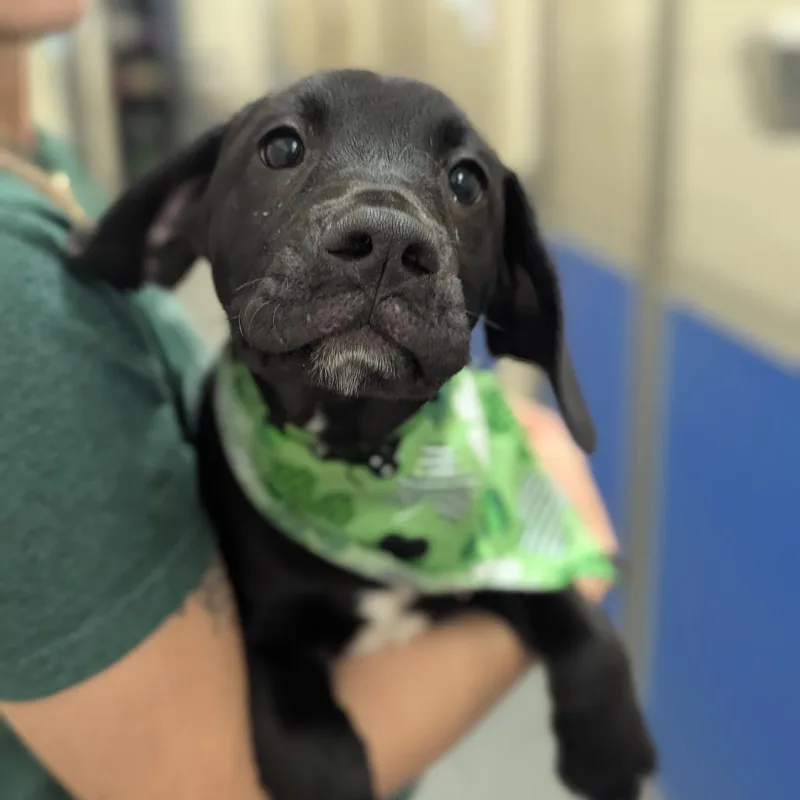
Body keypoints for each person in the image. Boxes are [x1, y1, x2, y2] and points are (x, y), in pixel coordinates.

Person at [0, 3, 619, 799]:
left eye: (462, 183)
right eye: (284, 149)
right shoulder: (14, 288)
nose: (387, 236)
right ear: (171, 220)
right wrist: (558, 546)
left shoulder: (46, 167)